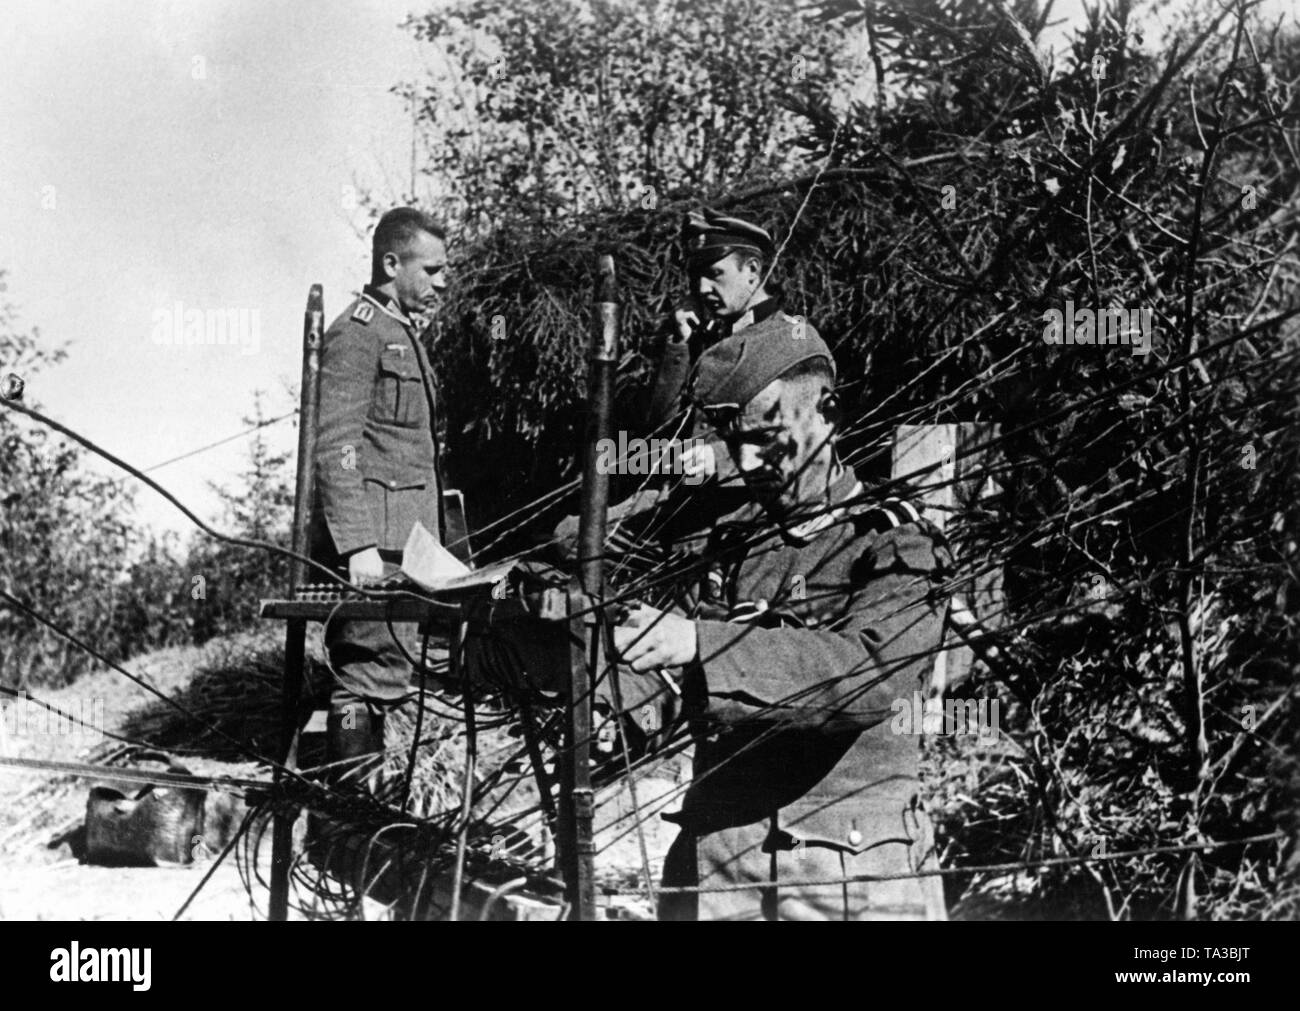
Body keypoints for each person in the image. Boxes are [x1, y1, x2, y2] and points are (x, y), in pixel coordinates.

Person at [468, 331, 951, 920]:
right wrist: (587, 685)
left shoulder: (897, 541)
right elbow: (680, 689)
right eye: (734, 442)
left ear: (829, 412)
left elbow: (872, 675)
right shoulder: (736, 543)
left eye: (765, 439)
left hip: (844, 880)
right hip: (717, 869)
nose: (746, 464)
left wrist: (694, 641)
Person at [310, 207, 449, 783]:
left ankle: (370, 831)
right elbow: (336, 447)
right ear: (392, 263)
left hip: (409, 547)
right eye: (433, 269)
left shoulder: (403, 334)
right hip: (377, 551)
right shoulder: (358, 332)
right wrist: (358, 546)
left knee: (391, 673)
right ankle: (348, 830)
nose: (444, 281)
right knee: (363, 678)